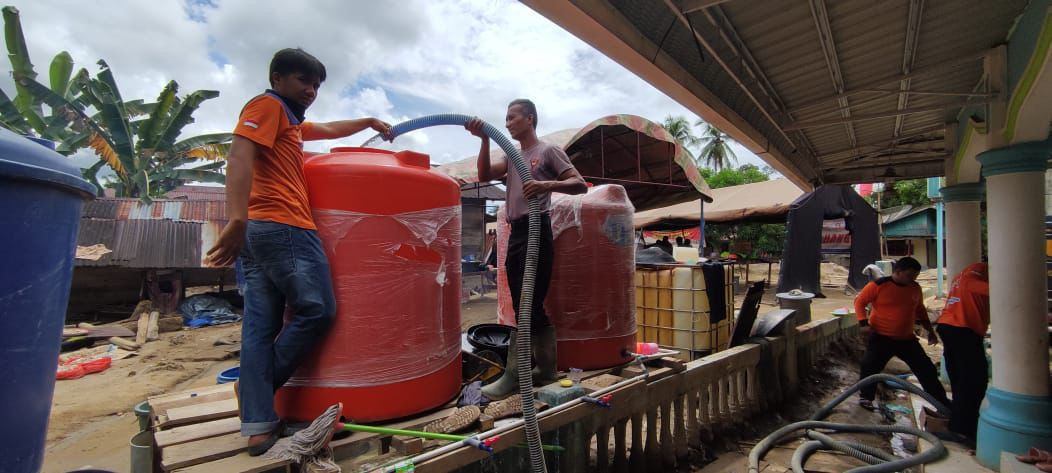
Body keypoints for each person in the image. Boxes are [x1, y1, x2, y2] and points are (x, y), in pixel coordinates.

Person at [205, 48, 391, 455]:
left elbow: (325, 129)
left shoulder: (288, 121)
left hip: (261, 232)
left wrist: (367, 121)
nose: (311, 90)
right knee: (317, 310)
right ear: (277, 78)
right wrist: (235, 218)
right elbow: (238, 155)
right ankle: (257, 389)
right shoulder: (267, 105)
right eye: (303, 81)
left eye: (317, 85)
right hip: (284, 226)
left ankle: (258, 423)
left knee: (260, 325)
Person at [466, 99, 587, 399]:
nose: (507, 123)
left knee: (527, 306)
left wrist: (545, 186)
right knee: (528, 304)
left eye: (512, 117)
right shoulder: (512, 156)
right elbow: (482, 175)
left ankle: (514, 375)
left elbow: (579, 184)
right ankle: (545, 370)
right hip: (517, 232)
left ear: (530, 119)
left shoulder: (547, 151)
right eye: (505, 118)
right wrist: (483, 139)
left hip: (537, 230)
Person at [854, 257, 950, 410]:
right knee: (870, 367)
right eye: (910, 275)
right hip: (881, 337)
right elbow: (859, 302)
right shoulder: (878, 285)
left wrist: (930, 331)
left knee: (926, 370)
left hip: (906, 339)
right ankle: (866, 398)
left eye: (915, 276)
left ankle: (941, 403)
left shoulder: (915, 288)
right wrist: (863, 323)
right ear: (897, 272)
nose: (913, 279)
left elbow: (920, 310)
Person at [935, 262, 989, 441]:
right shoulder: (974, 278)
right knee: (975, 380)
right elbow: (1004, 290)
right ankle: (963, 428)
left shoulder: (961, 277)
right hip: (963, 329)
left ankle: (958, 422)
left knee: (961, 378)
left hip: (948, 326)